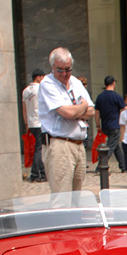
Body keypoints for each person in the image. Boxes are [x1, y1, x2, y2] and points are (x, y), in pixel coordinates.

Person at [37, 47, 94, 193]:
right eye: (60, 70)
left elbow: (91, 110)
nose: (64, 74)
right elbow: (66, 112)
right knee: (62, 199)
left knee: (77, 197)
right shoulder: (47, 83)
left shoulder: (75, 82)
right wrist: (82, 106)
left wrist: (77, 111)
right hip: (60, 144)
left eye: (68, 69)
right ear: (52, 67)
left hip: (79, 144)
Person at [94, 75, 127, 173]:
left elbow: (97, 112)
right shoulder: (116, 96)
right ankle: (101, 165)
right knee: (110, 147)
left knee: (116, 145)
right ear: (113, 83)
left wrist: (98, 125)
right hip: (115, 125)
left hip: (105, 125)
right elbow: (125, 109)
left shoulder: (100, 96)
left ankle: (123, 165)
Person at [21, 69, 46, 182]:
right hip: (39, 122)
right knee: (39, 149)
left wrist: (26, 123)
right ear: (38, 77)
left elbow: (24, 109)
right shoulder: (40, 89)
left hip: (31, 122)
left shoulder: (26, 91)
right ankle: (37, 174)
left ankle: (38, 173)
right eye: (43, 77)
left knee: (37, 148)